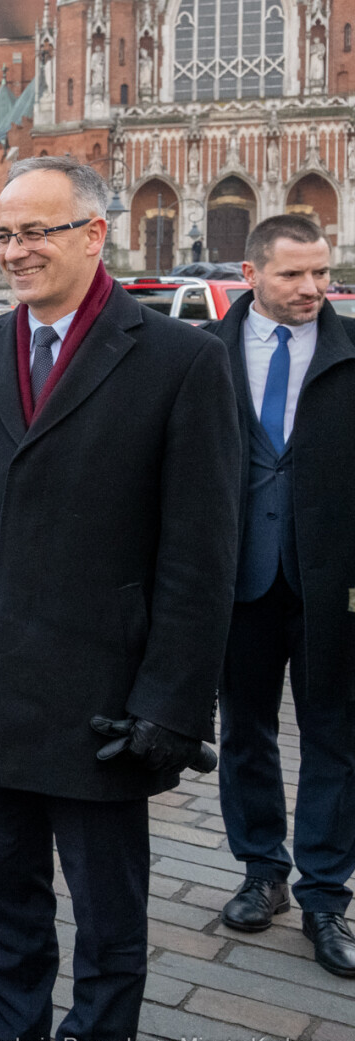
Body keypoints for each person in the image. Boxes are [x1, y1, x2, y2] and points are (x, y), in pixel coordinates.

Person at [0, 157, 239, 1041]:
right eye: (3, 234)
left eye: (35, 231)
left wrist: (172, 704)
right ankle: (16, 1036)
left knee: (107, 906)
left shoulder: (181, 362)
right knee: (3, 889)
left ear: (94, 234)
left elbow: (200, 556)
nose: (14, 251)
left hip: (106, 700)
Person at [201, 214, 355, 978]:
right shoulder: (206, 355)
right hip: (241, 578)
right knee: (246, 729)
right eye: (294, 274)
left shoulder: (352, 351)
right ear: (251, 272)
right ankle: (263, 870)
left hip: (334, 584)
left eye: (322, 272)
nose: (313, 288)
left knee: (336, 737)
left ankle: (326, 892)